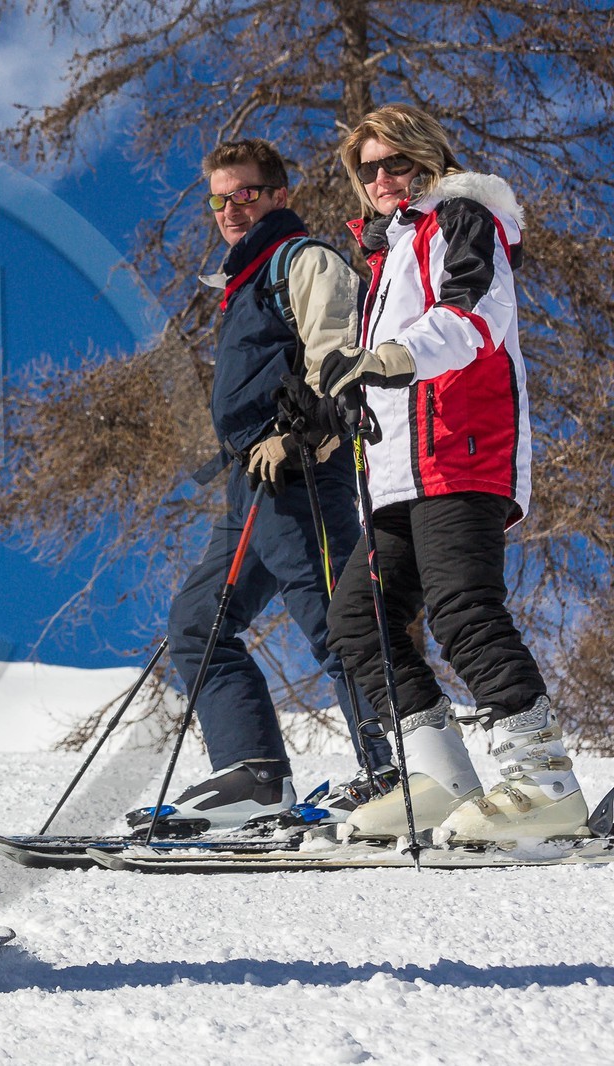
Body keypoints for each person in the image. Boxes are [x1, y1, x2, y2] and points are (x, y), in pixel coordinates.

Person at [318, 103, 587, 843]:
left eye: (395, 162)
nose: (381, 177)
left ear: (426, 160)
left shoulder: (462, 217)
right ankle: (438, 777)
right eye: (367, 167)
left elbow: (473, 318)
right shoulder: (386, 251)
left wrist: (383, 360)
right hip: (397, 471)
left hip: (463, 448)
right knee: (359, 623)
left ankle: (546, 781)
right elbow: (382, 366)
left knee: (463, 608)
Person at [134, 138, 395, 833]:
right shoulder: (244, 281)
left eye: (244, 194)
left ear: (278, 195)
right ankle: (253, 776)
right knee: (199, 624)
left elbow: (337, 357)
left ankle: (395, 769)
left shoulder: (300, 260)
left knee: (337, 619)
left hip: (303, 470)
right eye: (219, 199)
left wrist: (303, 433)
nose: (229, 209)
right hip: (253, 484)